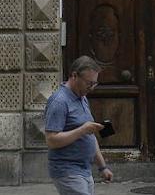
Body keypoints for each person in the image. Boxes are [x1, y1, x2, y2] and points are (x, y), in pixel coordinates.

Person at [44, 56, 114, 195]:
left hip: (84, 169)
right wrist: (82, 130)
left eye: (95, 83)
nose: (92, 88)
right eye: (89, 83)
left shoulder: (82, 98)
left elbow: (91, 137)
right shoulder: (59, 101)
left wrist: (102, 167)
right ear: (74, 76)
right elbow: (51, 140)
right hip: (67, 170)